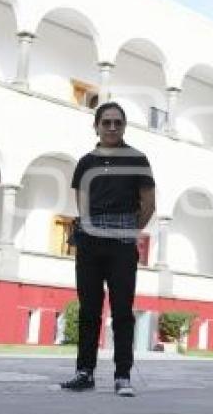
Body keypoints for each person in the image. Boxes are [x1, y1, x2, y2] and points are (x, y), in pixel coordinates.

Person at [61, 102, 156, 397]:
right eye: (107, 122)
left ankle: (122, 376)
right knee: (89, 310)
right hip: (90, 241)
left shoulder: (137, 159)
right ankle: (84, 372)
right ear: (97, 126)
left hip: (122, 244)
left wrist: (127, 228)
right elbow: (82, 203)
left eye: (118, 123)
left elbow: (149, 204)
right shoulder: (85, 162)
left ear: (124, 126)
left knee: (122, 311)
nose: (112, 127)